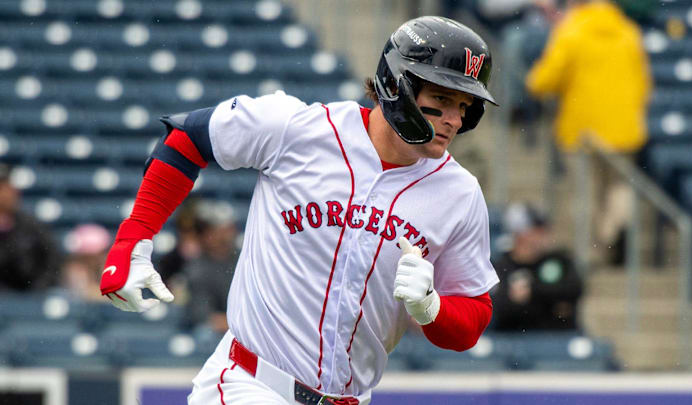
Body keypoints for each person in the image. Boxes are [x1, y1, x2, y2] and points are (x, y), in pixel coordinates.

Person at [100, 16, 499, 404]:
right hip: (251, 384)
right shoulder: (299, 129)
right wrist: (133, 239)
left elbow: (471, 320)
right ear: (398, 85)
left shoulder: (460, 194)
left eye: (464, 105)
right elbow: (189, 137)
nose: (453, 118)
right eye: (442, 99)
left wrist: (432, 307)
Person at [525, 0, 652, 263]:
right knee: (619, 187)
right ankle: (615, 230)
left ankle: (588, 253)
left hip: (583, 129)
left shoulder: (571, 30)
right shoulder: (628, 31)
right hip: (624, 127)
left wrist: (534, 81)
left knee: (586, 192)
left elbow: (545, 79)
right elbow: (644, 83)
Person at [490, 202, 583, 331]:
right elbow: (498, 306)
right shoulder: (501, 266)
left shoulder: (558, 260)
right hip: (514, 341)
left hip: (558, 337)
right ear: (520, 234)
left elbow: (573, 290)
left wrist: (532, 290)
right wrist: (551, 302)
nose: (544, 235)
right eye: (537, 230)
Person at [182, 200, 239, 334]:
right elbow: (205, 318)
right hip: (216, 337)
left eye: (227, 228)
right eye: (218, 229)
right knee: (204, 333)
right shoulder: (197, 269)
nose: (225, 234)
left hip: (243, 329)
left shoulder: (244, 259)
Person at [0, 164, 59, 292]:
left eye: (6, 188)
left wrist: (36, 293)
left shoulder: (32, 226)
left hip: (31, 295)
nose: (5, 194)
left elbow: (51, 262)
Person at [60, 223, 111, 301]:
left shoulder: (108, 266)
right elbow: (83, 294)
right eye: (83, 256)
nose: (87, 260)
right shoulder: (75, 268)